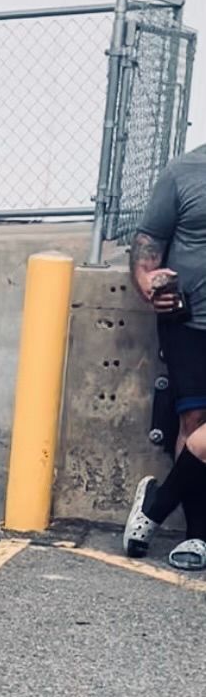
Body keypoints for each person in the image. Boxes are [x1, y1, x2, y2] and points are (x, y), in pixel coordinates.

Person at [123, 142, 206, 570]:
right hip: (188, 321)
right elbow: (147, 241)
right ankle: (197, 536)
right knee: (193, 423)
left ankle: (155, 505)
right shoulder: (184, 171)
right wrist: (147, 280)